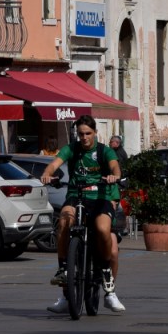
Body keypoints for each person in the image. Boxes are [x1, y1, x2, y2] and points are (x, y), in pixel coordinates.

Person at [40, 115, 126, 313]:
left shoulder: (104, 150)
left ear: (95, 133)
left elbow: (115, 166)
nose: (84, 137)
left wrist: (115, 176)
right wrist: (47, 173)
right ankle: (64, 274)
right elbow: (55, 163)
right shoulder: (72, 148)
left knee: (102, 228)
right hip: (76, 195)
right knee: (63, 222)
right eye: (81, 134)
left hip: (100, 196)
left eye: (88, 133)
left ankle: (106, 277)